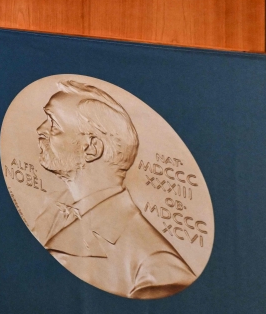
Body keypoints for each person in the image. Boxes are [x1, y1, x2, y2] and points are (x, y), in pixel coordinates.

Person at [31, 80, 196, 300]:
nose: (40, 130)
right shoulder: (50, 211)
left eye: (53, 123)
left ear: (91, 148)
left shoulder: (156, 269)